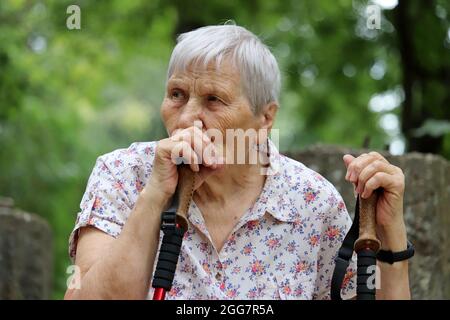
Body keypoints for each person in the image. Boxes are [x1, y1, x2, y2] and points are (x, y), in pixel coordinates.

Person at [65, 24, 410, 300]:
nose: (187, 119)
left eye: (214, 100)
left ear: (265, 119)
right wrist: (155, 195)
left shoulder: (312, 202)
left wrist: (390, 230)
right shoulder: (124, 174)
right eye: (177, 95)